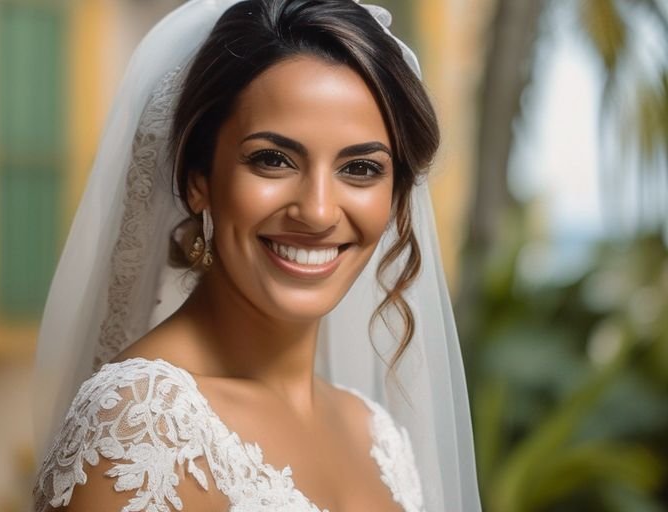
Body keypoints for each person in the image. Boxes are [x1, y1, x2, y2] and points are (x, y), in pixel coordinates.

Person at [32, 0, 481, 510]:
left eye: (359, 168)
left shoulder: (376, 433)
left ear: (396, 193)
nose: (316, 211)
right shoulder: (141, 426)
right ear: (198, 180)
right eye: (273, 160)